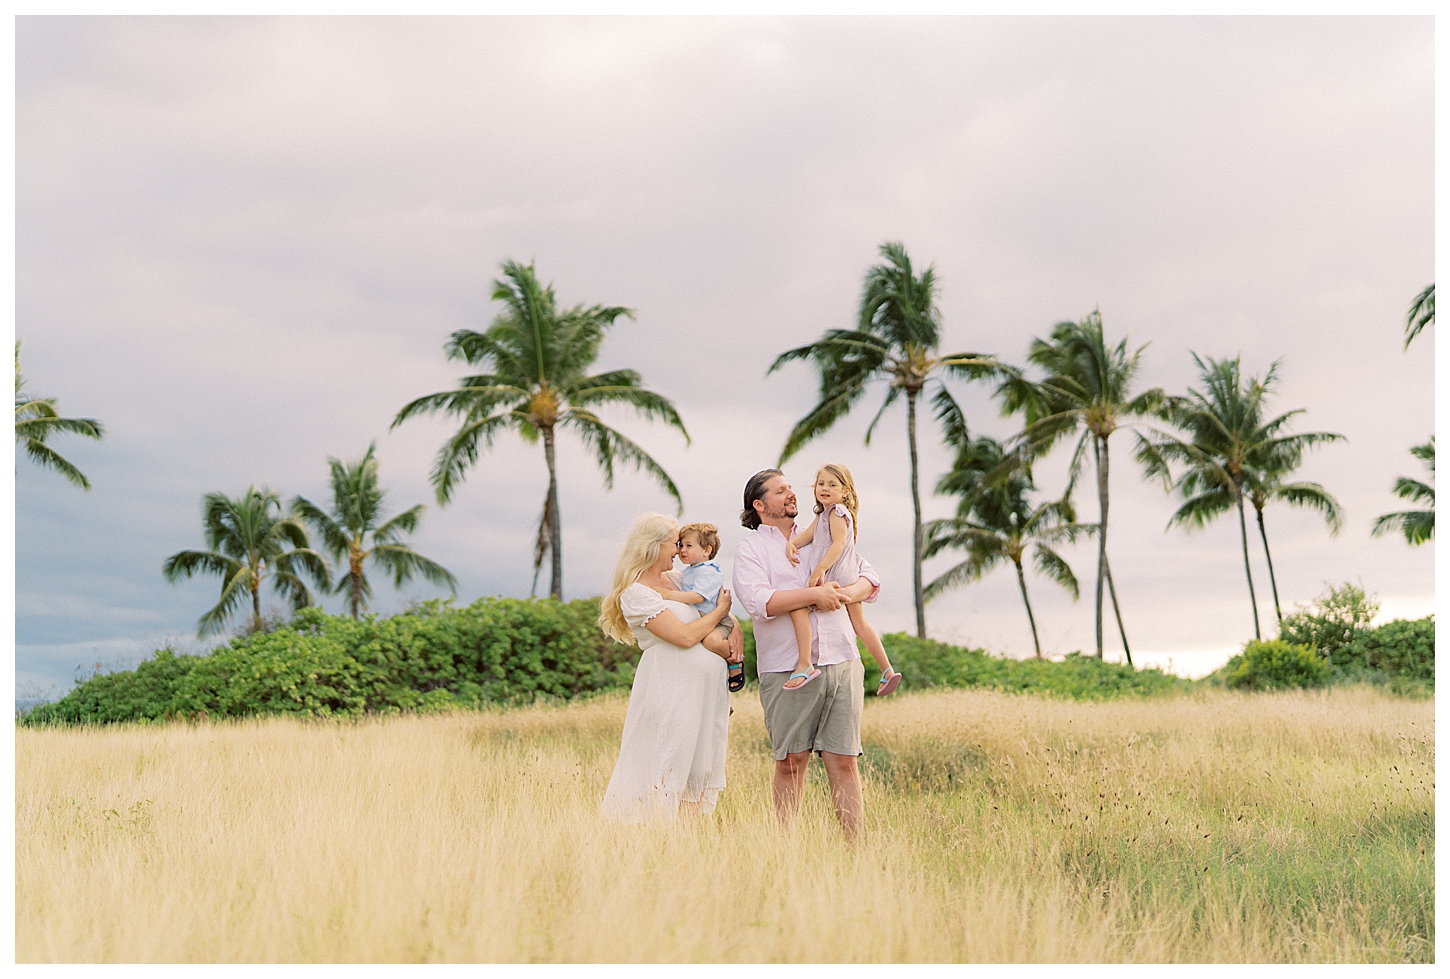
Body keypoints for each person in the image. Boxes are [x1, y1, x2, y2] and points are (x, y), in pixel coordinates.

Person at [731, 469, 880, 841]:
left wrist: (843, 594)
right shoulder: (752, 548)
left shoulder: (826, 526)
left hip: (843, 659)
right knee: (791, 763)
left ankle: (855, 852)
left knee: (844, 762)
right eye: (781, 491)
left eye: (791, 488)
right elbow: (760, 601)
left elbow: (869, 579)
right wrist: (815, 596)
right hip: (786, 668)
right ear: (760, 505)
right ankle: (787, 852)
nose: (792, 495)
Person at [599, 513, 743, 823]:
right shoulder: (635, 594)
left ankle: (685, 846)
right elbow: (685, 636)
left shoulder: (680, 579)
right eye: (674, 543)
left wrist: (734, 633)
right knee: (668, 758)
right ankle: (653, 835)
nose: (679, 550)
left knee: (697, 765)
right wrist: (720, 611)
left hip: (703, 693)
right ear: (654, 546)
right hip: (670, 688)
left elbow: (720, 614)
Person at [784, 464, 901, 696]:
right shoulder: (823, 514)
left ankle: (805, 664)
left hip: (836, 577)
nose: (824, 488)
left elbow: (838, 544)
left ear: (845, 491)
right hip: (848, 576)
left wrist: (820, 569)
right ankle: (886, 669)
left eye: (832, 484)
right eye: (821, 484)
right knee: (860, 624)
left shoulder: (837, 512)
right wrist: (791, 543)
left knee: (798, 610)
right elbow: (807, 535)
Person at [652, 522, 745, 692]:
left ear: (707, 550)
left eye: (689, 546)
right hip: (706, 621)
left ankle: (734, 661)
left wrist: (668, 594)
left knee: (711, 641)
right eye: (680, 545)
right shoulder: (690, 571)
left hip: (719, 622)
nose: (682, 550)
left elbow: (697, 597)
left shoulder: (708, 572)